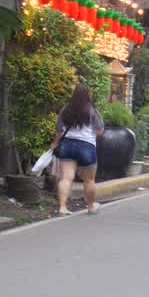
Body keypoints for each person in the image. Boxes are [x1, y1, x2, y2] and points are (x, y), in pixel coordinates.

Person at [52, 83, 104, 216]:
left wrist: (55, 143)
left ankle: (62, 208)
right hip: (86, 146)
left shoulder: (66, 110)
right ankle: (91, 206)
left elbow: (59, 130)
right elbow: (100, 131)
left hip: (67, 145)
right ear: (88, 95)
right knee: (89, 180)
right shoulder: (92, 110)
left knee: (66, 178)